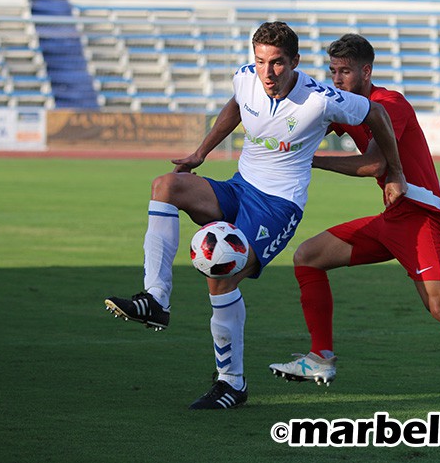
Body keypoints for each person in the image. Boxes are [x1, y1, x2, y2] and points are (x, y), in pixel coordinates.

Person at [103, 22, 407, 410]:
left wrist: (394, 171)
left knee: (222, 273)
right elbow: (236, 104)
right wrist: (201, 151)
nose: (267, 72)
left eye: (277, 63)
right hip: (239, 187)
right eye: (261, 61)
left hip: (278, 207)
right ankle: (155, 299)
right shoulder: (246, 78)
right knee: (166, 185)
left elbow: (376, 112)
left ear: (295, 62)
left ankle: (231, 383)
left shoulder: (320, 98)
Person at [269, 34, 440, 407]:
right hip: (392, 219)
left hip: (420, 218)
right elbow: (308, 122)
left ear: (366, 71)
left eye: (345, 71)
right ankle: (320, 358)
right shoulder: (346, 102)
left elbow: (373, 164)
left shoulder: (389, 104)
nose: (337, 79)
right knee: (308, 256)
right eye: (333, 70)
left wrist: (308, 159)